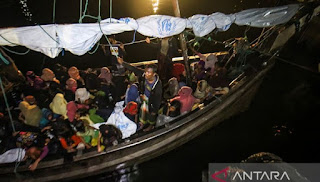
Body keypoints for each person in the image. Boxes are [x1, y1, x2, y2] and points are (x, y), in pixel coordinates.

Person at [117, 58, 162, 132]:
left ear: (154, 74)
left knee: (151, 114)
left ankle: (151, 126)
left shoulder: (157, 86)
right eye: (146, 72)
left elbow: (157, 99)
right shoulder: (144, 75)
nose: (146, 74)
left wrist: (154, 110)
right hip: (142, 96)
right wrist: (123, 63)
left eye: (149, 73)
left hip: (150, 100)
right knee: (141, 110)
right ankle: (141, 122)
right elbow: (134, 69)